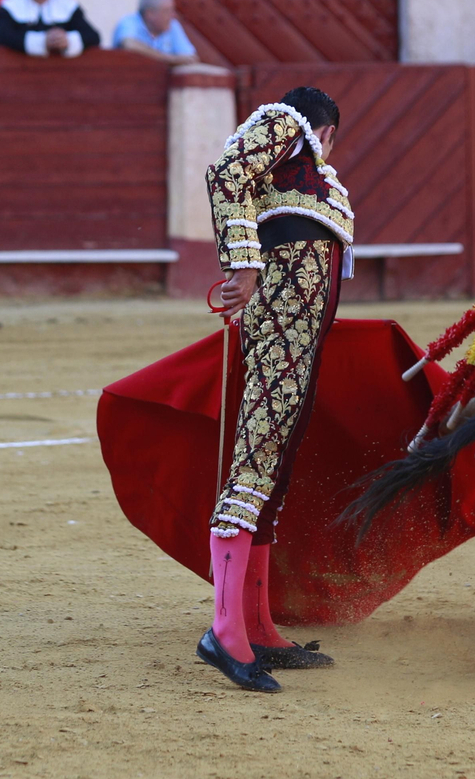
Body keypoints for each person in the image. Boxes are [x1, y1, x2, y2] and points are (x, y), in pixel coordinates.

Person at [197, 86, 354, 692]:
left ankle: (257, 626)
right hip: (283, 330)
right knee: (256, 465)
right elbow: (228, 171)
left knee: (274, 470)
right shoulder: (287, 123)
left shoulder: (306, 170)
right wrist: (245, 263)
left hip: (300, 339)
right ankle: (224, 631)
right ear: (328, 130)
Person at [112, 0, 197, 66]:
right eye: (167, 11)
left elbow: (191, 58)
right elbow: (129, 45)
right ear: (150, 14)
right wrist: (171, 59)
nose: (173, 15)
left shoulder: (173, 25)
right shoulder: (128, 22)